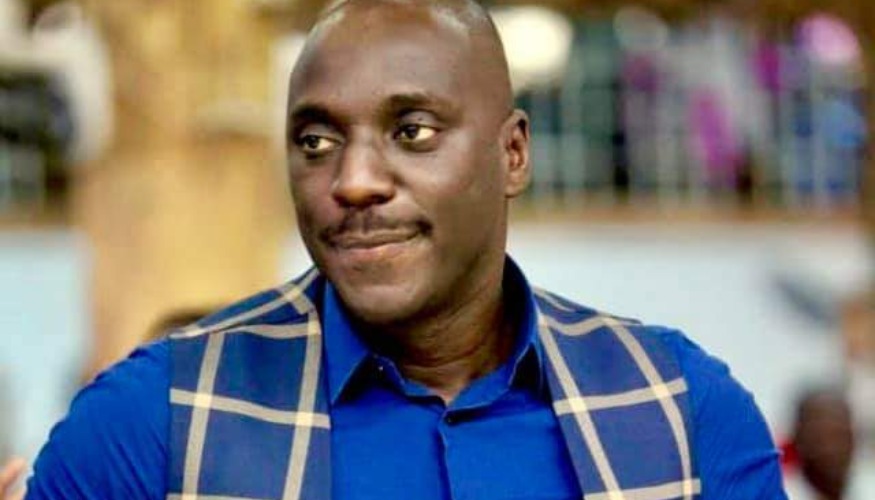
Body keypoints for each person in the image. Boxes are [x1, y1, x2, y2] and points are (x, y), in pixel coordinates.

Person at [20, 0, 786, 498]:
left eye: (411, 131)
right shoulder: (154, 423)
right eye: (316, 141)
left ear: (512, 154)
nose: (353, 181)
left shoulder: (675, 413)